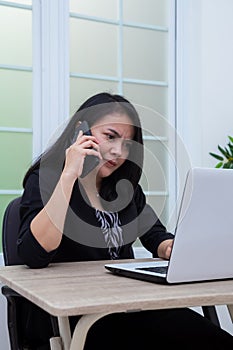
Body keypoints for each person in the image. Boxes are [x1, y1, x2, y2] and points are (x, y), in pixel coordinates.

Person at [17, 92, 233, 350]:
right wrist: (69, 174)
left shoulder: (124, 188)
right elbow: (34, 253)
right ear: (81, 131)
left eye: (128, 144)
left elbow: (155, 235)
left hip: (128, 309)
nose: (119, 151)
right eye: (110, 136)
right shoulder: (47, 178)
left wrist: (171, 248)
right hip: (77, 318)